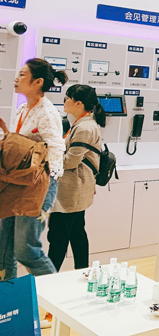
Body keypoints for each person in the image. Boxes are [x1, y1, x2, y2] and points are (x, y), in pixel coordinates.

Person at [0, 58, 67, 280]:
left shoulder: (47, 112)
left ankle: (54, 294)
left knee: (26, 250)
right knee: (4, 247)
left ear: (37, 82)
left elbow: (56, 148)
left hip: (38, 185)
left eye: (22, 75)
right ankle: (8, 296)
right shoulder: (22, 109)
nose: (16, 79)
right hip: (17, 182)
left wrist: (48, 180)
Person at [47, 84, 106, 272]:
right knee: (76, 233)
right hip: (75, 190)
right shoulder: (82, 123)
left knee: (58, 237)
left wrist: (47, 156)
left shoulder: (85, 128)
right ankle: (83, 271)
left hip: (72, 192)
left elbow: (70, 162)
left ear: (78, 103)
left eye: (67, 98)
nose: (64, 101)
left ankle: (47, 278)